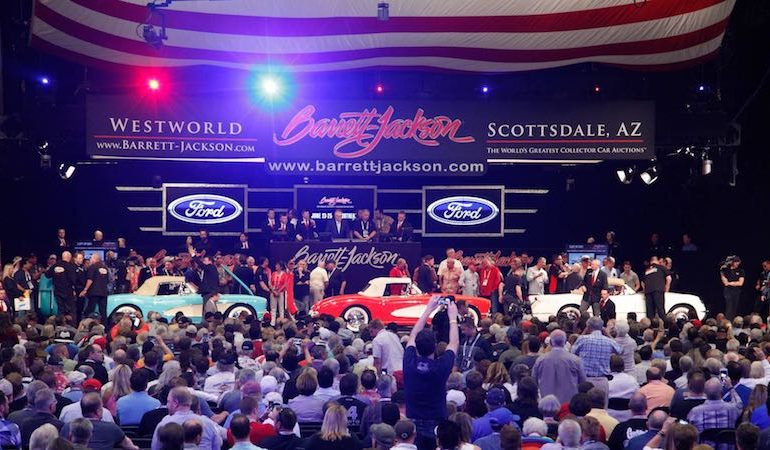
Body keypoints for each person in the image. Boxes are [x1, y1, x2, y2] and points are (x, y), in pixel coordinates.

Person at [404, 296, 458, 449]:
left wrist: (428, 309)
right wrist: (452, 318)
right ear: (434, 347)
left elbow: (412, 336)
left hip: (413, 420)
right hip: (436, 421)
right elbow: (453, 343)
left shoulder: (409, 362)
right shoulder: (439, 367)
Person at [152, 387, 225, 450]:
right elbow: (216, 447)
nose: (167, 405)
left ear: (175, 403)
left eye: (168, 401)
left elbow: (155, 448)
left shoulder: (165, 424)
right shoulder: (208, 423)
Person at [60, 392, 138, 450]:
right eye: (101, 408)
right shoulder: (111, 428)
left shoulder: (67, 427)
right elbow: (131, 447)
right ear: (98, 411)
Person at [532, 330, 586, 403]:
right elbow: (583, 381)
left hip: (547, 404)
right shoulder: (576, 360)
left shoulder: (540, 360)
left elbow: (534, 381)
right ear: (565, 342)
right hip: (569, 405)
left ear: (550, 342)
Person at [571, 316, 620, 395]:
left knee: (583, 405)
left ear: (588, 327)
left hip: (585, 380)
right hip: (603, 380)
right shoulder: (609, 341)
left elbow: (572, 352)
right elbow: (619, 350)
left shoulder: (583, 339)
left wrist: (583, 332)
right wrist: (608, 334)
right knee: (601, 406)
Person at [47, 251, 77, 319]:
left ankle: (59, 325)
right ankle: (70, 326)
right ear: (69, 258)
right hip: (68, 292)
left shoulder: (55, 265)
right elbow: (74, 280)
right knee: (70, 311)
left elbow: (47, 275)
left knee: (60, 310)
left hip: (57, 291)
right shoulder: (71, 267)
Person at [80, 253, 110, 319]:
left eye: (91, 258)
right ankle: (105, 326)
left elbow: (90, 280)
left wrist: (85, 289)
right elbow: (108, 281)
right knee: (103, 312)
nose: (90, 260)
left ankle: (86, 324)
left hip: (94, 292)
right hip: (104, 293)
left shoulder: (92, 267)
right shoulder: (105, 268)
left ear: (94, 259)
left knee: (89, 310)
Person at [643, 256, 671, 320]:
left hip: (648, 292)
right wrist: (666, 290)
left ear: (651, 262)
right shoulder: (661, 267)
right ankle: (665, 326)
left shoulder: (647, 270)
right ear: (658, 261)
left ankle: (652, 327)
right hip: (658, 290)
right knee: (660, 310)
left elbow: (643, 283)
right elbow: (669, 278)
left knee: (650, 312)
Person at [722, 256, 745, 320]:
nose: (737, 263)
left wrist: (730, 283)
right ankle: (727, 321)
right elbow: (725, 282)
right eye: (736, 262)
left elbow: (740, 283)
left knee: (734, 307)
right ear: (732, 262)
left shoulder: (741, 271)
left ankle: (733, 322)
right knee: (729, 306)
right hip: (728, 291)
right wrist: (734, 283)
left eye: (738, 262)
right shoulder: (725, 270)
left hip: (737, 291)